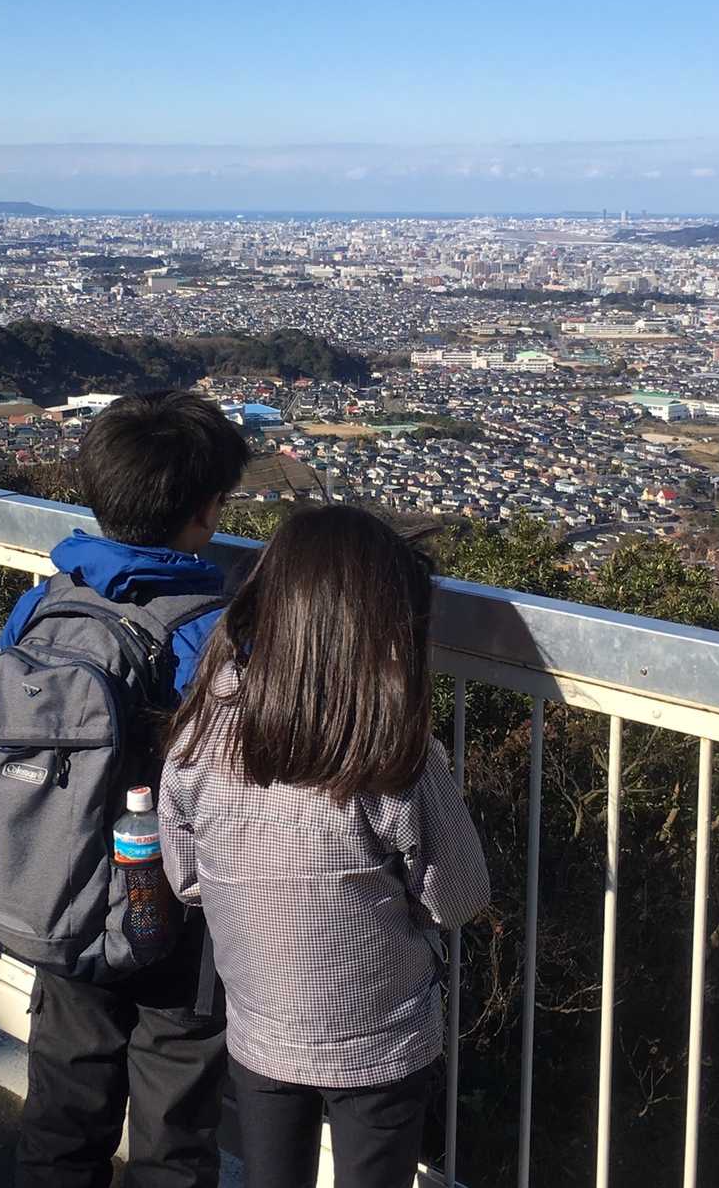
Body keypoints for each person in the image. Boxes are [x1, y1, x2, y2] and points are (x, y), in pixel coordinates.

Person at [159, 505, 490, 1188]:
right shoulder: (392, 755)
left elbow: (187, 876)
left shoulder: (203, 732)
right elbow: (459, 896)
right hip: (380, 1039)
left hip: (260, 1025)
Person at [4, 389, 250, 1188]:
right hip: (174, 916)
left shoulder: (41, 605)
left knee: (60, 1123)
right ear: (206, 511)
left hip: (61, 889)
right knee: (172, 1143)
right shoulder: (214, 633)